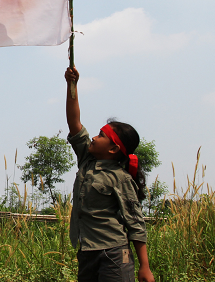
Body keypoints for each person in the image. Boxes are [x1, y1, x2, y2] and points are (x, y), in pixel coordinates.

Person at [65, 67, 155, 282]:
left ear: (113, 149)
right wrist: (72, 86)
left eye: (101, 135)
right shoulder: (87, 160)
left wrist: (145, 267)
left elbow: (135, 222)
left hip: (113, 254)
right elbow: (74, 122)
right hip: (87, 252)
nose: (94, 137)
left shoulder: (121, 179)